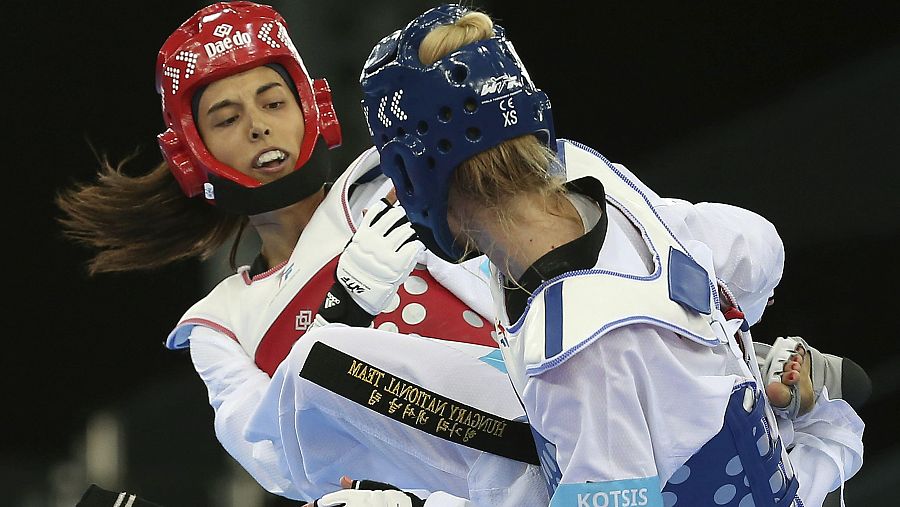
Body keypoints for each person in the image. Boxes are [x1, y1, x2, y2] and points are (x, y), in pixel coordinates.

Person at [58, 3, 865, 507]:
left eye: (272, 99)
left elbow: (594, 239)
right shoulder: (221, 323)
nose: (260, 126)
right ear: (195, 148)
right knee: (319, 376)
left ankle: (719, 359)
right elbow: (276, 453)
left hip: (580, 414)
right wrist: (339, 301)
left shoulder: (404, 174)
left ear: (311, 104)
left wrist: (705, 322)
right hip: (471, 472)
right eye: (228, 116)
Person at [328, 4, 866, 507]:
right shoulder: (590, 174)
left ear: (415, 174)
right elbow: (748, 248)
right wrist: (714, 349)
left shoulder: (579, 355)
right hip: (751, 439)